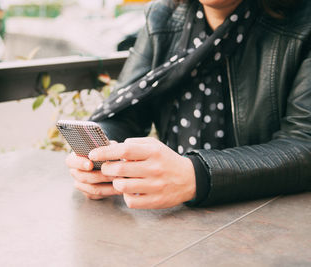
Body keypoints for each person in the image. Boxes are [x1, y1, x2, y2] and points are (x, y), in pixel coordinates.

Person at [66, 0, 311, 209]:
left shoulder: (304, 19)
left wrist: (197, 175)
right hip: (176, 218)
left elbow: (304, 144)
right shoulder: (163, 15)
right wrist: (100, 156)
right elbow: (125, 114)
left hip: (271, 218)